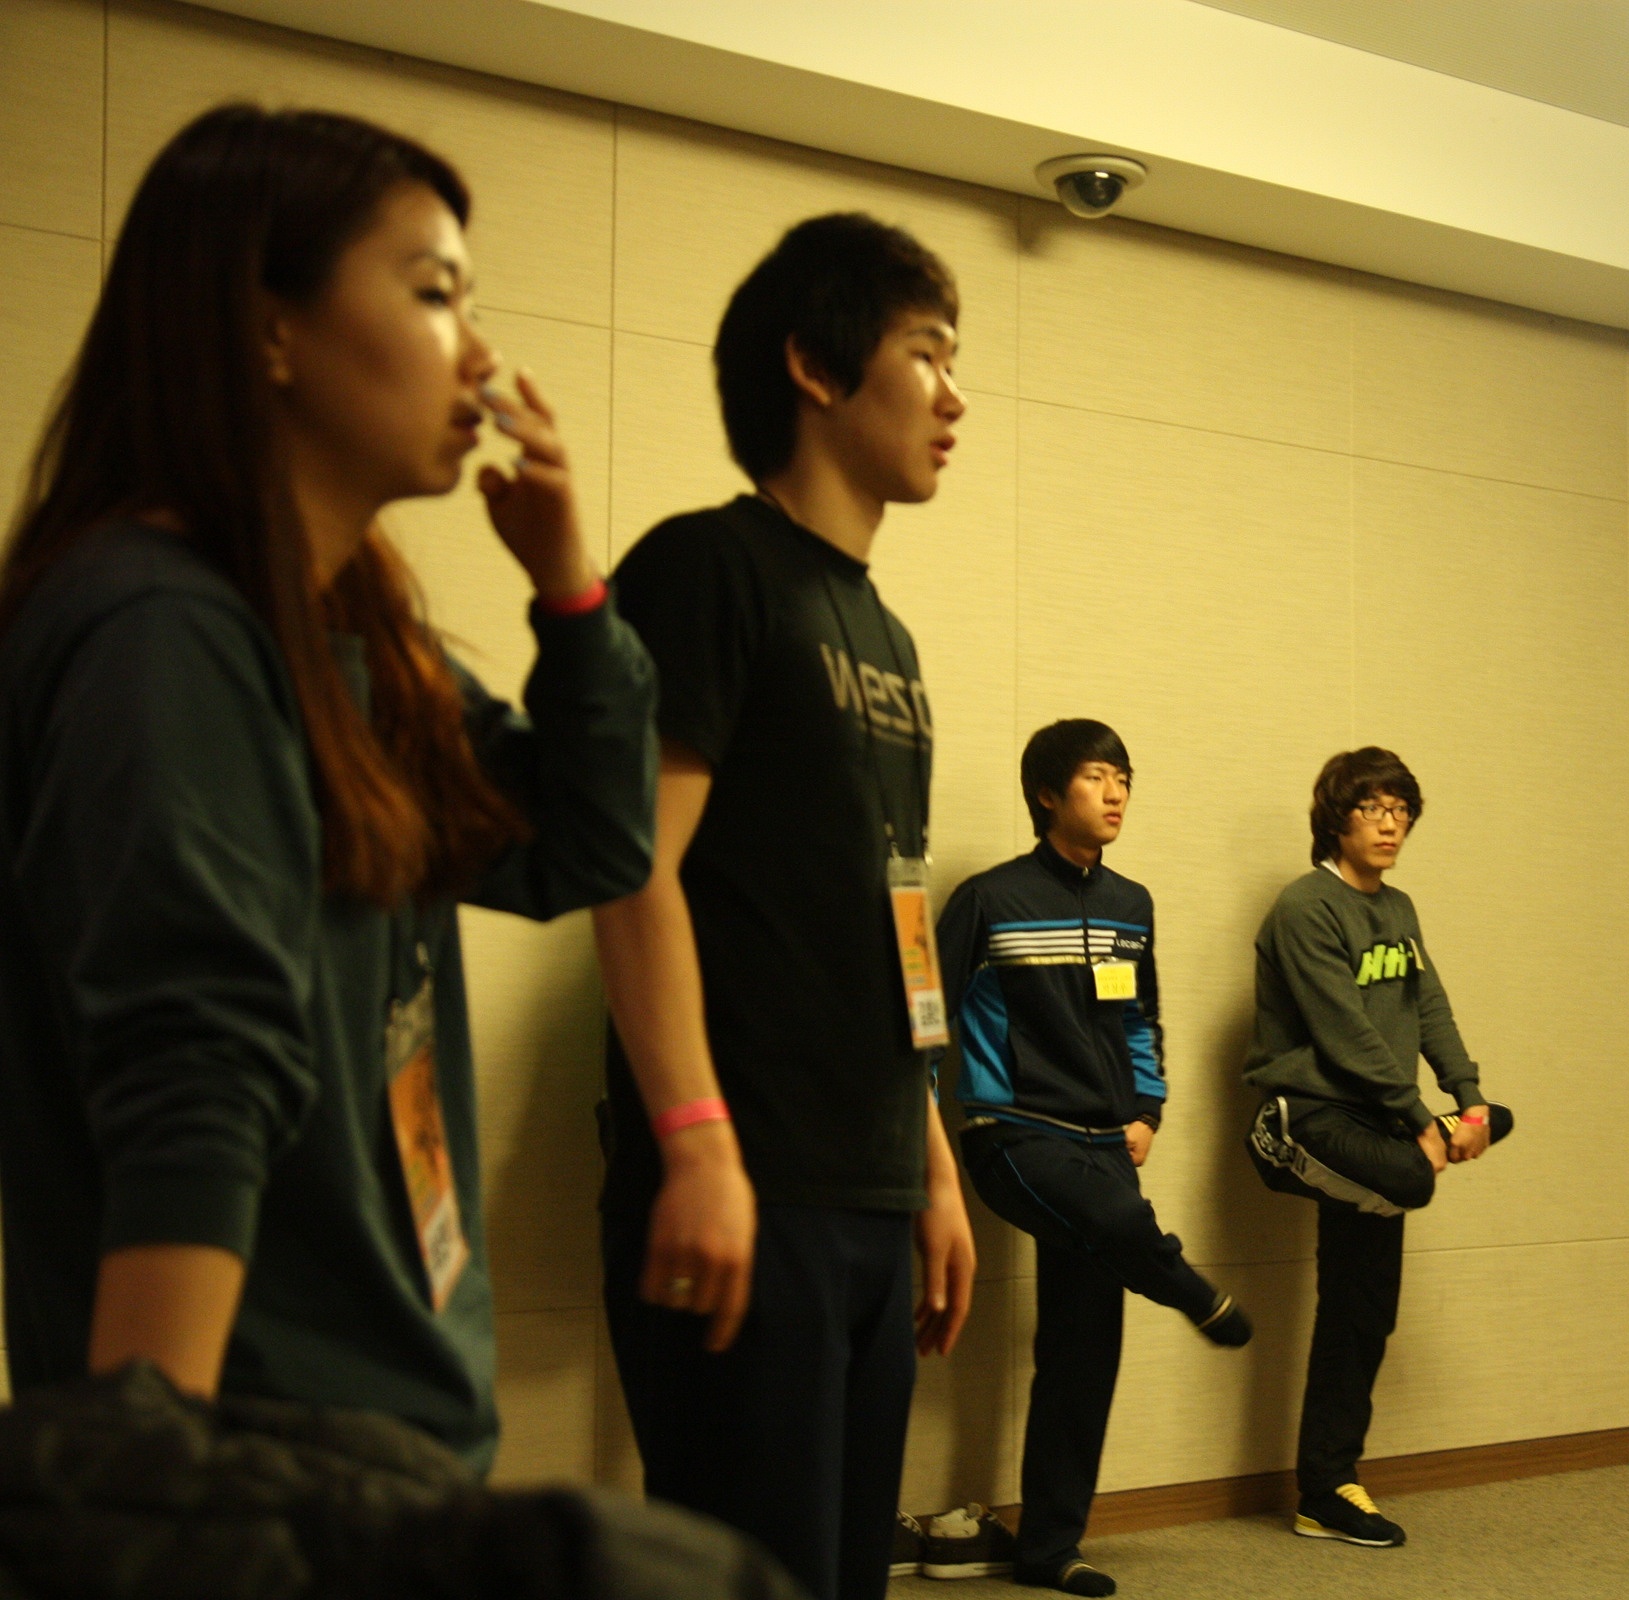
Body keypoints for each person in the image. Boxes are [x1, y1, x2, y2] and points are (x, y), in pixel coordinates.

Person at [0, 105, 658, 1468]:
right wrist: (142, 1502)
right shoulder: (161, 631)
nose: (480, 357)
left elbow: (583, 844)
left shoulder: (351, 632)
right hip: (257, 1459)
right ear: (269, 330)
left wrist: (571, 592)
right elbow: (193, 1089)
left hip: (393, 1417)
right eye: (433, 293)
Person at [592, 212, 976, 1599]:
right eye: (926, 352)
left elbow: (896, 911)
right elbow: (632, 869)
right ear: (815, 365)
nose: (954, 395)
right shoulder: (703, 570)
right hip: (742, 1192)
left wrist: (933, 1167)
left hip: (871, 1194)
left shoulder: (890, 636)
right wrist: (697, 1149)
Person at [936, 720, 1251, 1598]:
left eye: (1124, 778)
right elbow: (924, 1017)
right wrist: (922, 1124)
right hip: (1012, 1132)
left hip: (1106, 1140)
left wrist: (1146, 1109)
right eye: (1096, 777)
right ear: (1047, 794)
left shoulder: (1129, 903)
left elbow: (1139, 1016)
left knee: (1082, 1353)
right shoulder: (988, 898)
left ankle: (1049, 1549)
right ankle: (1190, 1289)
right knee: (1122, 1222)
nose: (1116, 794)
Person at [1244, 747, 1512, 1549]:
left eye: (1400, 810)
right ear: (1337, 817)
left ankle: (1327, 1487)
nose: (1389, 824)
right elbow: (1344, 1032)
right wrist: (1423, 1122)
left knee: (1363, 1310)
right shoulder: (1306, 906)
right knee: (1413, 1180)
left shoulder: (1399, 909)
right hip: (1312, 1114)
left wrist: (1468, 1100)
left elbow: (1428, 1006)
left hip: (1381, 1123)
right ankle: (1347, 1147)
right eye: (1372, 809)